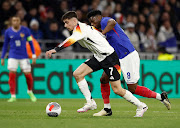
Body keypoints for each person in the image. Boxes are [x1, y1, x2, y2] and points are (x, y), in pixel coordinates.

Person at [46, 11, 148, 117]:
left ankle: (141, 105)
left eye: (67, 22)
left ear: (74, 21)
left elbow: (70, 40)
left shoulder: (80, 30)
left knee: (117, 89)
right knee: (78, 74)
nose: (65, 25)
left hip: (109, 58)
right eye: (64, 23)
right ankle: (90, 103)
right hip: (99, 57)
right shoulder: (81, 28)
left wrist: (56, 49)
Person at [87, 10, 171, 116]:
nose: (91, 23)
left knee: (132, 88)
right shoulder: (100, 29)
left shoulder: (105, 21)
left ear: (98, 17)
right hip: (117, 58)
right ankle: (107, 109)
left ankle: (160, 97)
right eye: (90, 22)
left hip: (128, 56)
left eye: (92, 20)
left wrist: (102, 34)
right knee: (103, 79)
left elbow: (112, 22)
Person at [1, 16, 37, 102]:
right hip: (12, 56)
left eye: (17, 20)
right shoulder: (8, 32)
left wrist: (34, 55)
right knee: (12, 75)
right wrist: (2, 57)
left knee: (28, 75)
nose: (15, 22)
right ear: (11, 22)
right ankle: (13, 95)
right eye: (14, 20)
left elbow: (31, 42)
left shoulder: (25, 30)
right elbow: (5, 45)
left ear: (20, 21)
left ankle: (29, 91)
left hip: (24, 56)